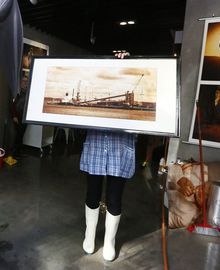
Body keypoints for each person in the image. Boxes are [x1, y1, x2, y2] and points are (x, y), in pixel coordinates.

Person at [80, 52, 135, 261]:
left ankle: (109, 241)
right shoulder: (96, 83)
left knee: (114, 198)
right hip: (95, 146)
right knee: (92, 194)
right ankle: (90, 234)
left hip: (120, 149)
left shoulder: (130, 83)